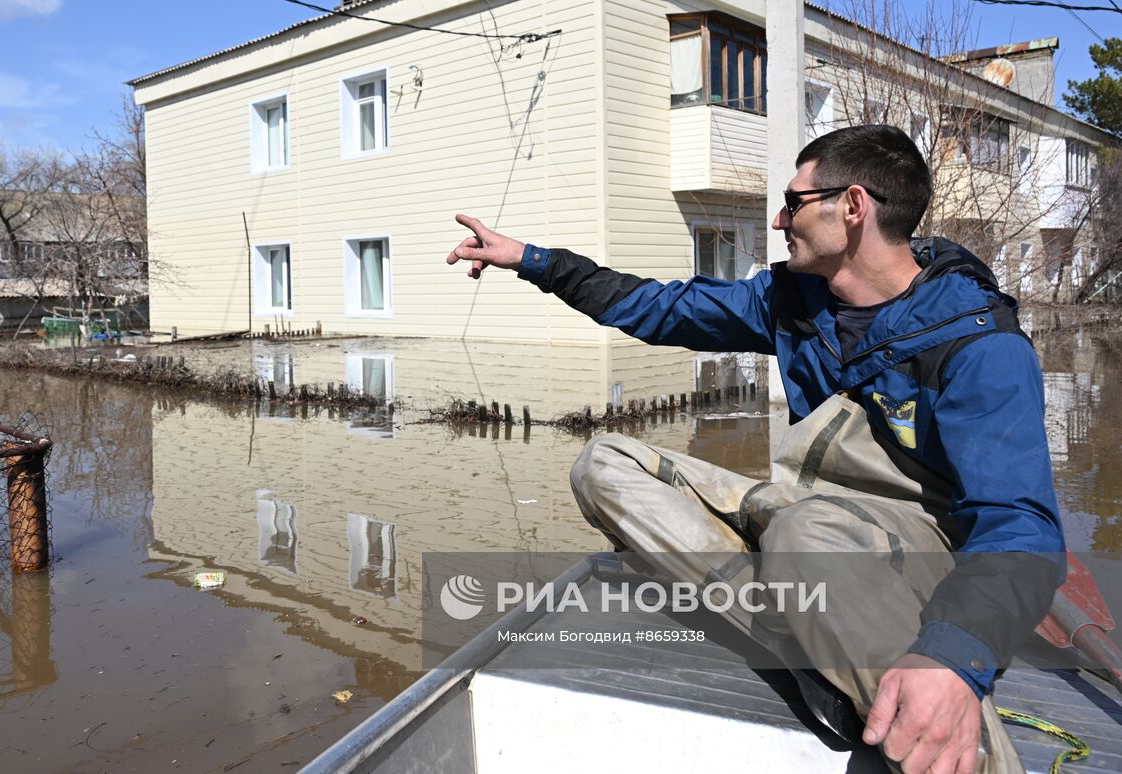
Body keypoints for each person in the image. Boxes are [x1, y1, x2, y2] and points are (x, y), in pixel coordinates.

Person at [445, 125, 1064, 774]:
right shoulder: (794, 302)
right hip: (804, 513)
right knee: (604, 465)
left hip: (909, 549)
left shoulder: (978, 343)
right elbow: (658, 308)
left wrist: (953, 658)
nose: (777, 219)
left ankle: (960, 748)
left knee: (805, 535)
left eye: (794, 202)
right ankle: (818, 644)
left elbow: (1020, 529)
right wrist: (535, 262)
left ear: (852, 208)